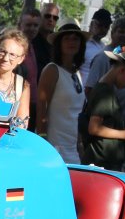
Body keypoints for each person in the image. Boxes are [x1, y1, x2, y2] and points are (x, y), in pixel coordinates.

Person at [83, 48, 125, 172]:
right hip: (100, 163)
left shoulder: (107, 90)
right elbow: (94, 128)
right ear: (122, 70)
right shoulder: (104, 92)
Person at [38, 22, 88, 163]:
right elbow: (42, 108)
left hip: (73, 146)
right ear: (58, 43)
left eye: (76, 39)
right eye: (67, 39)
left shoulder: (77, 72)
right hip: (54, 146)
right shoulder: (51, 70)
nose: (72, 42)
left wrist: (80, 144)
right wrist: (42, 141)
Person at [79, 8, 112, 83]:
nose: (103, 29)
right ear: (91, 24)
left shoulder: (104, 46)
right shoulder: (81, 43)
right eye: (100, 25)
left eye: (106, 26)